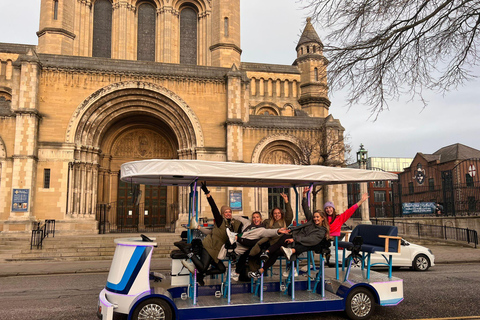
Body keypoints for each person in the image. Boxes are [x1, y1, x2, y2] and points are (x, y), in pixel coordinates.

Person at [175, 182, 243, 285]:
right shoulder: (220, 221)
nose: (228, 213)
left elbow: (213, 232)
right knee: (202, 267)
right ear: (223, 214)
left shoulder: (232, 224)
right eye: (226, 212)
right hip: (208, 246)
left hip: (216, 251)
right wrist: (207, 193)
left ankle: (201, 275)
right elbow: (214, 207)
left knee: (221, 269)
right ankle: (187, 251)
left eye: (230, 211)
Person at [248, 208, 330, 279]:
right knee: (281, 242)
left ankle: (266, 262)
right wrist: (304, 196)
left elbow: (310, 239)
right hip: (290, 239)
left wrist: (294, 239)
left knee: (282, 241)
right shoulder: (311, 222)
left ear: (322, 218)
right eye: (314, 217)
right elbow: (306, 210)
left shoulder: (321, 231)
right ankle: (261, 269)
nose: (315, 218)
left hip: (297, 243)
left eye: (317, 217)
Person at [303, 187, 369, 237]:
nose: (328, 210)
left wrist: (361, 201)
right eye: (326, 208)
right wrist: (304, 195)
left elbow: (350, 210)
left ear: (333, 209)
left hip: (334, 240)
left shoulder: (339, 218)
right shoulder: (322, 219)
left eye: (330, 207)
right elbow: (307, 211)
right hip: (322, 239)